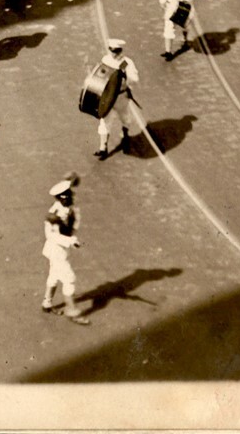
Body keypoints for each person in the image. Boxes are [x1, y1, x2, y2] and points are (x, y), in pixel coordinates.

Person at [41, 175, 90, 324]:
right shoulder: (53, 216)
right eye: (67, 196)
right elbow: (51, 236)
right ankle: (72, 311)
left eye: (70, 195)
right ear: (60, 198)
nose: (70, 198)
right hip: (56, 251)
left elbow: (73, 225)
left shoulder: (70, 209)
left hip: (60, 250)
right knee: (69, 279)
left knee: (54, 276)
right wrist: (70, 241)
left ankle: (47, 303)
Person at [93, 37, 140, 159]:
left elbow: (135, 79)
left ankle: (125, 135)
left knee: (125, 118)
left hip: (121, 96)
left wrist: (125, 78)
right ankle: (103, 148)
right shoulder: (106, 59)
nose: (113, 54)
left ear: (120, 51)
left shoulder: (126, 63)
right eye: (111, 50)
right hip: (108, 96)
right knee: (104, 121)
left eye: (116, 51)